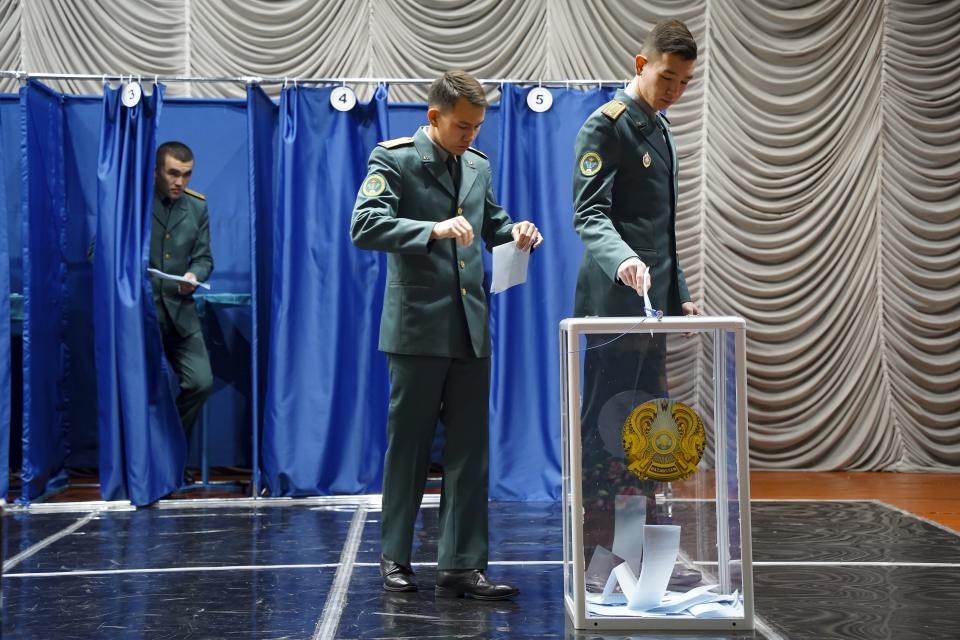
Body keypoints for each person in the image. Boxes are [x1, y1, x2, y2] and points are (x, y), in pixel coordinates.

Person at [351, 70, 542, 600]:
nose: (472, 136)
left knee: (469, 454)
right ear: (433, 117)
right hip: (416, 328)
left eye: (478, 126)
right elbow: (364, 225)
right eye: (462, 126)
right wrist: (429, 230)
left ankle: (462, 563)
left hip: (470, 329)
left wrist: (517, 231)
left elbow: (492, 222)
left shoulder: (477, 165)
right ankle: (395, 556)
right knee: (408, 449)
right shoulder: (394, 159)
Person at [571, 19, 701, 583]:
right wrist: (620, 258)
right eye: (667, 77)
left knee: (650, 428)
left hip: (654, 310)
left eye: (684, 82)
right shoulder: (608, 127)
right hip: (614, 306)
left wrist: (682, 297)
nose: (674, 90)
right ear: (639, 64)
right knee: (608, 426)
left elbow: (663, 233)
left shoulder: (660, 128)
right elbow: (589, 214)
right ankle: (602, 555)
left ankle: (642, 552)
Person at [149, 141, 214, 453]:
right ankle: (146, 461)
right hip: (143, 315)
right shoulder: (133, 201)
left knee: (200, 382)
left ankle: (169, 453)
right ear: (156, 171)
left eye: (186, 175)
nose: (180, 182)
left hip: (181, 313)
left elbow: (204, 259)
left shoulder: (197, 206)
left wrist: (195, 276)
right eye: (173, 173)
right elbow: (98, 252)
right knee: (146, 390)